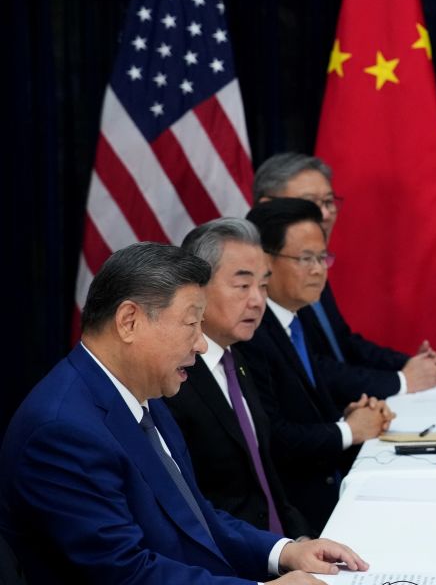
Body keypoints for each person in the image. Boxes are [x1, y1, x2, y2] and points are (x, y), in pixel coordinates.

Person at [0, 243, 368, 583]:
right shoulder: (62, 431)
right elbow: (125, 573)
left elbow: (196, 518)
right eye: (192, 324)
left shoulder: (145, 396)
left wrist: (284, 552)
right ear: (129, 321)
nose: (202, 343)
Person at [241, 198, 396, 531]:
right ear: (265, 261)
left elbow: (305, 408)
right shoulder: (250, 332)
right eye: (305, 259)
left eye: (322, 257)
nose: (318, 269)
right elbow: (272, 437)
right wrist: (349, 430)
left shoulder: (297, 316)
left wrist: (351, 417)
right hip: (296, 520)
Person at [254, 152, 436, 392]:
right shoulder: (259, 277)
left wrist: (412, 365)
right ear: (268, 207)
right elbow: (307, 367)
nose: (324, 214)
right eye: (310, 204)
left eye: (328, 202)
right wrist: (401, 380)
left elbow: (342, 343)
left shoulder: (314, 261)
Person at [166, 218, 314, 538]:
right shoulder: (171, 379)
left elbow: (268, 480)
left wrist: (300, 538)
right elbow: (192, 509)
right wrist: (276, 556)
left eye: (263, 286)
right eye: (243, 285)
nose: (258, 301)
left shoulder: (239, 359)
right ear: (196, 289)